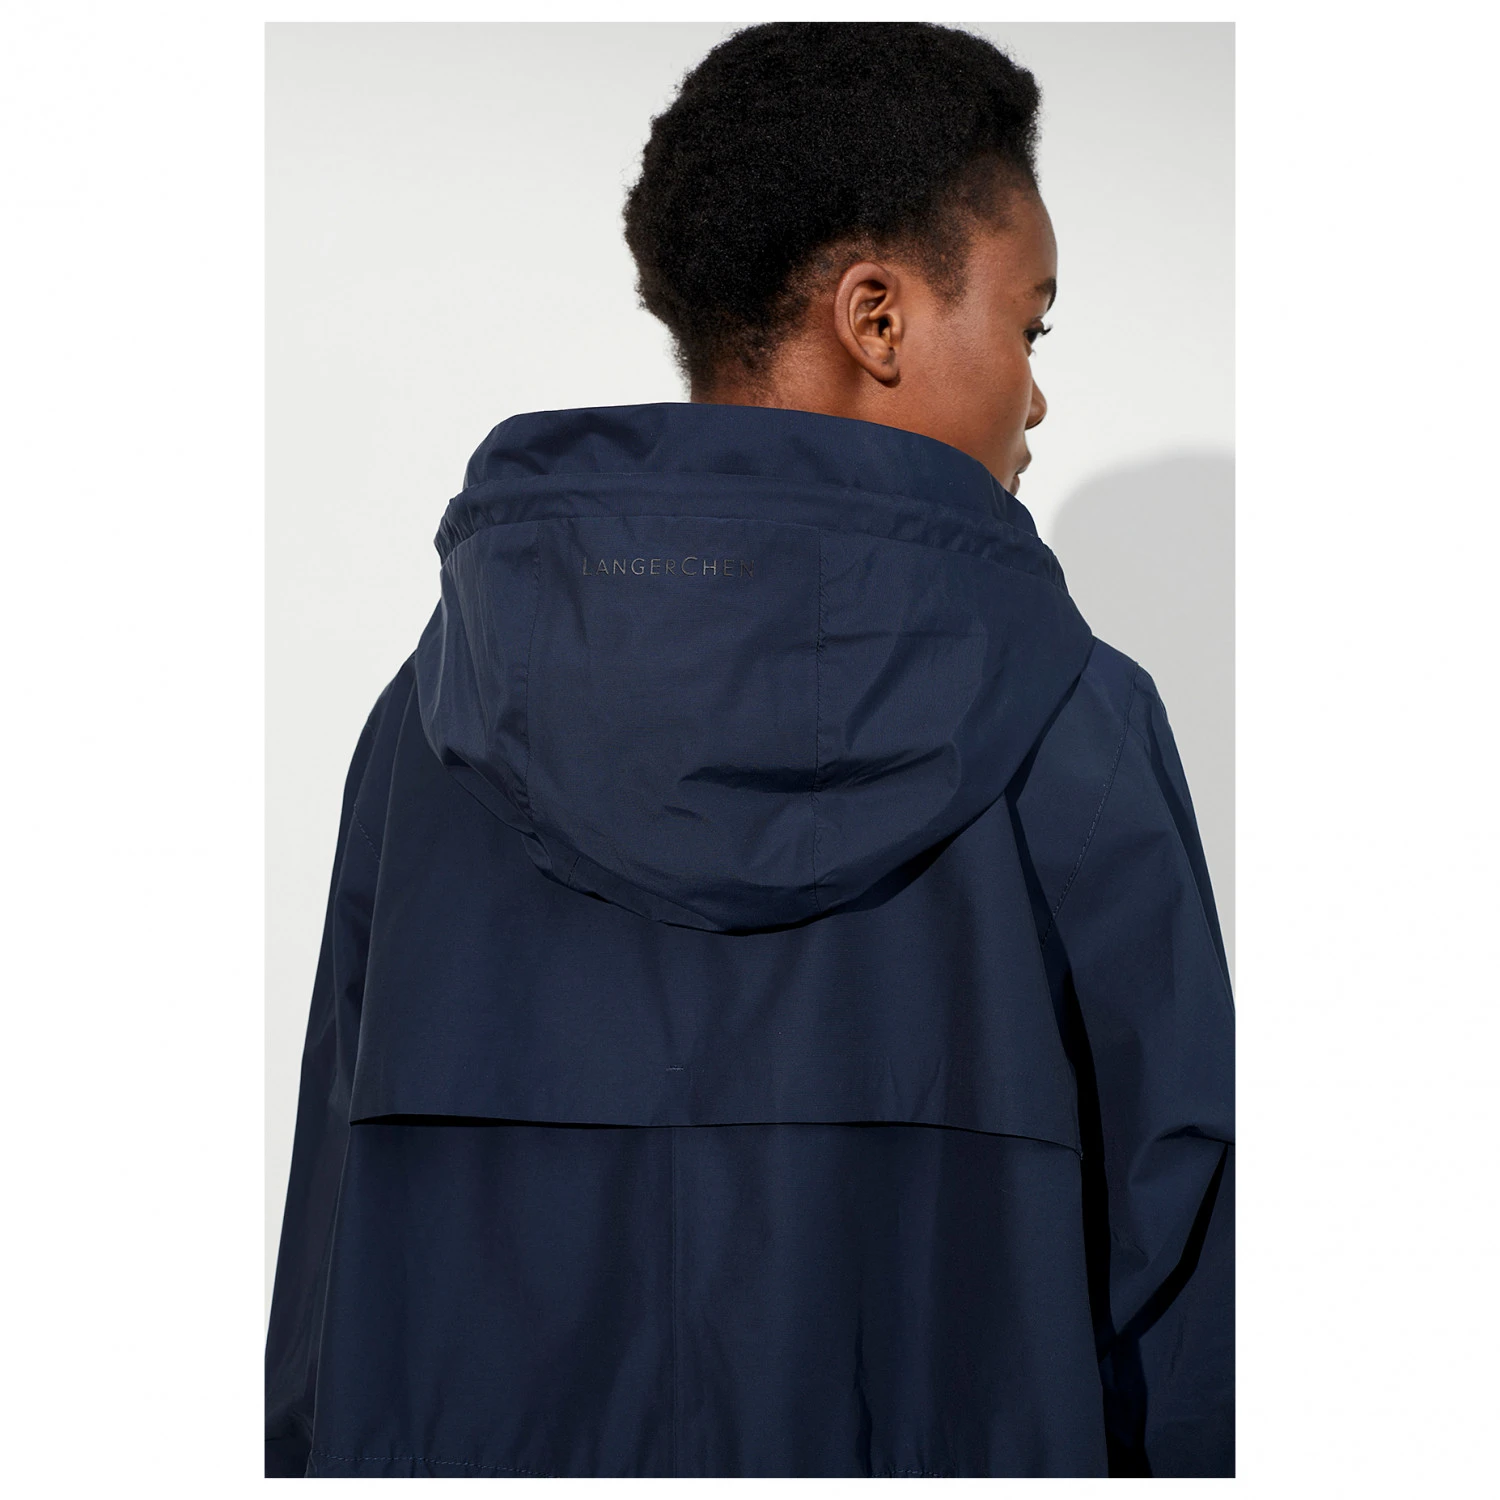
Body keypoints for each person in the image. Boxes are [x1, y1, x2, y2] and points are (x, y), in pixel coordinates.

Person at [265, 21, 1234, 1479]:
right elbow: (1186, 1277)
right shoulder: (1073, 721)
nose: (1035, 395)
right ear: (877, 316)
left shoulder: (432, 725)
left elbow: (330, 1263)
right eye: (1029, 327)